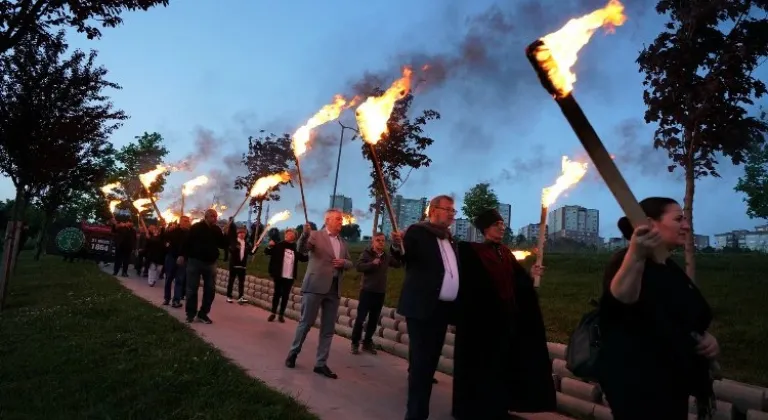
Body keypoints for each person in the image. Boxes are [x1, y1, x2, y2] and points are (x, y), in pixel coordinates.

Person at [597, 197, 718, 420]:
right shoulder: (625, 262)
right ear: (651, 224)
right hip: (640, 384)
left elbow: (679, 314)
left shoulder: (668, 267)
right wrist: (636, 254)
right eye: (678, 219)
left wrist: (705, 337)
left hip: (672, 380)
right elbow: (620, 301)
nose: (687, 226)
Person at [452, 208, 556, 419]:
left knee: (502, 367)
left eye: (502, 224)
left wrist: (531, 275)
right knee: (483, 368)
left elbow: (517, 283)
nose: (501, 227)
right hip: (482, 324)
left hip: (507, 321)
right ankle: (477, 410)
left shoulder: (506, 253)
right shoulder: (472, 252)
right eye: (496, 225)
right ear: (486, 229)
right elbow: (469, 288)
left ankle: (499, 408)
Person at [390, 194, 456, 420]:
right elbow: (402, 257)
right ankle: (416, 414)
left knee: (429, 363)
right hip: (421, 307)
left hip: (442, 310)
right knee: (421, 364)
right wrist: (397, 244)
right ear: (433, 210)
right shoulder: (418, 232)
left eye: (453, 211)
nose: (451, 214)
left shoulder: (449, 239)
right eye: (447, 209)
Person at [285, 209, 353, 379]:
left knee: (328, 329)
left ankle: (321, 363)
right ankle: (293, 353)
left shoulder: (342, 242)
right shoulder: (315, 235)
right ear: (328, 220)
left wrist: (344, 262)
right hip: (315, 286)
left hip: (334, 289)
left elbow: (350, 262)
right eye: (338, 219)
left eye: (341, 219)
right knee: (306, 322)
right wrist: (304, 234)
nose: (341, 222)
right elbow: (301, 249)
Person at [351, 231, 401, 355]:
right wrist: (371, 264)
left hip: (380, 292)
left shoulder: (386, 256)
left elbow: (397, 264)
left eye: (383, 240)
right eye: (378, 240)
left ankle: (367, 342)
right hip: (367, 291)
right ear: (373, 241)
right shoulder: (367, 254)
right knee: (361, 318)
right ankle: (355, 342)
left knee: (373, 320)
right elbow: (358, 266)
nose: (381, 243)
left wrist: (398, 248)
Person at [178, 209, 228, 324]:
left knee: (210, 290)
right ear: (206, 216)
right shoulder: (196, 227)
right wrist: (182, 255)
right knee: (191, 288)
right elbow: (187, 242)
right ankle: (190, 313)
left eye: (216, 216)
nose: (215, 218)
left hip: (210, 263)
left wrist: (225, 234)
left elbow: (222, 244)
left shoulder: (216, 230)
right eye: (213, 216)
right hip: (194, 261)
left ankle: (203, 314)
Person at [264, 227, 307, 322]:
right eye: (287, 234)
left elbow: (303, 258)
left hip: (290, 276)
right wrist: (269, 246)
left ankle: (281, 314)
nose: (288, 236)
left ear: (294, 237)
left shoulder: (295, 249)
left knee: (285, 295)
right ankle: (273, 313)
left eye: (291, 234)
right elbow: (267, 252)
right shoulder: (279, 246)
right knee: (277, 293)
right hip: (279, 275)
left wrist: (313, 253)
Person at [164, 216, 190, 307]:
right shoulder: (174, 231)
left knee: (179, 280)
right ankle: (167, 298)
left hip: (183, 260)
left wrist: (184, 256)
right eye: (185, 221)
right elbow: (165, 238)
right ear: (180, 222)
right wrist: (167, 229)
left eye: (188, 221)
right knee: (168, 278)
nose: (187, 223)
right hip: (171, 257)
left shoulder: (189, 234)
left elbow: (189, 248)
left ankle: (176, 300)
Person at [226, 225, 251, 304]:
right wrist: (235, 248)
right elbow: (231, 250)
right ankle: (229, 296)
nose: (242, 234)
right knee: (231, 280)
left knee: (241, 282)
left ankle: (241, 297)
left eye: (243, 233)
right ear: (237, 234)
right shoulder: (234, 242)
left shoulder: (246, 244)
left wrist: (256, 246)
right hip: (234, 264)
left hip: (243, 265)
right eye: (240, 232)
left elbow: (252, 252)